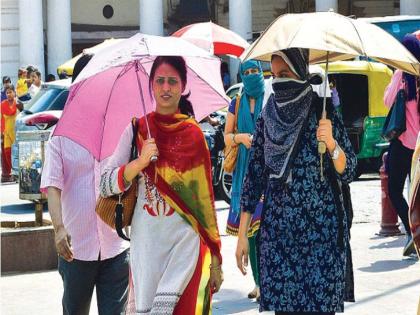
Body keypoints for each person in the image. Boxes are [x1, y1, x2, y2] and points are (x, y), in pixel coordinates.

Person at [235, 49, 357, 315]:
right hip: (279, 238)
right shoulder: (269, 115)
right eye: (275, 75)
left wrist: (332, 144)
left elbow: (349, 170)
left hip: (322, 237)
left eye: (286, 74)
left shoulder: (322, 111)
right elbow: (253, 178)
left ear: (302, 74)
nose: (279, 81)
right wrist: (242, 235)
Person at [100, 56, 223, 314]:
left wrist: (215, 257)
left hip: (185, 250)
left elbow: (205, 201)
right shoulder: (136, 130)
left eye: (172, 81)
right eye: (160, 81)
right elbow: (104, 184)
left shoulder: (193, 135)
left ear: (183, 85)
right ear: (151, 85)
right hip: (147, 249)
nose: (166, 88)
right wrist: (139, 162)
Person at [40, 53, 129, 315]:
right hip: (76, 249)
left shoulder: (120, 128)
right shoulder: (60, 134)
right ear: (77, 85)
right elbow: (52, 186)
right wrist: (58, 228)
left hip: (116, 244)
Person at [224, 59, 267, 301]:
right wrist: (240, 137)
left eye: (255, 71)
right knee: (250, 231)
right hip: (244, 172)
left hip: (267, 172)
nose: (251, 75)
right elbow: (226, 137)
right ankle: (259, 283)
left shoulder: (270, 99)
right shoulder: (236, 102)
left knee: (265, 229)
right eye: (247, 72)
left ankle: (267, 281)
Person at [384, 34, 420, 257]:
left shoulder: (401, 75)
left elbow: (387, 101)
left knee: (394, 190)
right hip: (419, 148)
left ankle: (411, 231)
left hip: (403, 144)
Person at [1, 85, 18, 182]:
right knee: (7, 153)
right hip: (7, 133)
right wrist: (1, 133)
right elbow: (1, 119)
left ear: (14, 92)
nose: (9, 94)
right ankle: (13, 172)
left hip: (16, 132)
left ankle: (16, 173)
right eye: (7, 92)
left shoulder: (18, 103)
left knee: (16, 153)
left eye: (10, 92)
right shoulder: (2, 105)